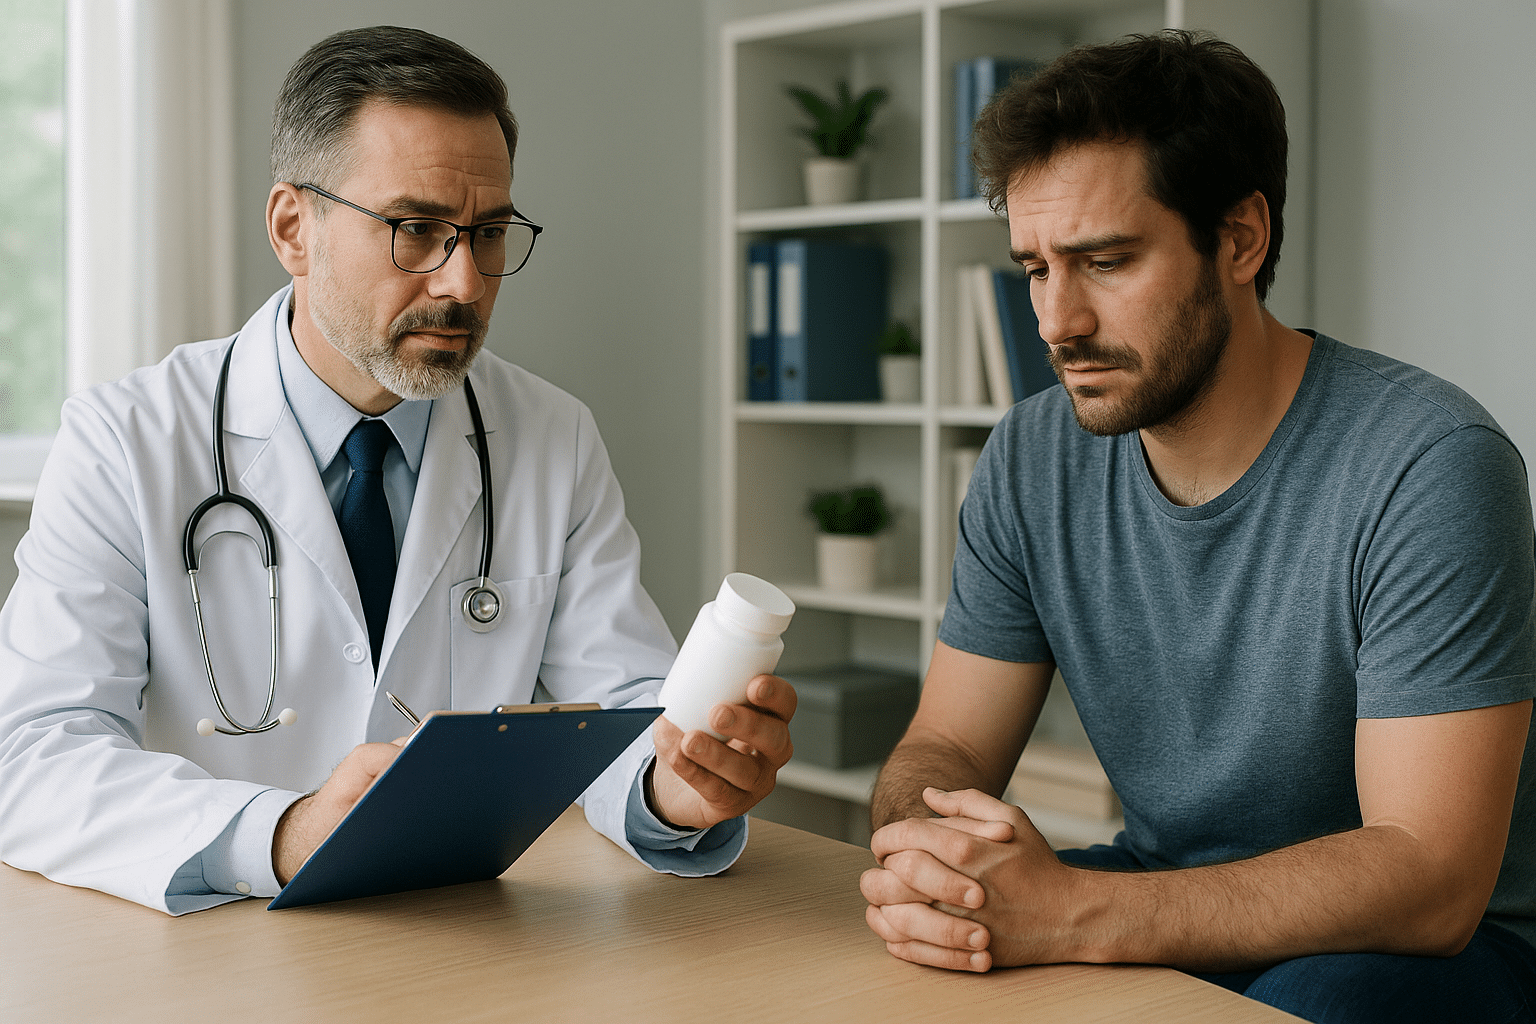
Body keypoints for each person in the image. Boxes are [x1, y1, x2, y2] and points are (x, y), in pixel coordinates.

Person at [0, 25, 796, 914]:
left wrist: (675, 790)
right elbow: (33, 756)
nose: (464, 281)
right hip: (213, 943)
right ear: (293, 227)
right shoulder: (124, 439)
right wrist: (285, 832)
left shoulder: (549, 435)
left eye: (488, 232)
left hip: (456, 940)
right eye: (416, 229)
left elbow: (620, 712)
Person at [859, 30, 1536, 1024]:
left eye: (1103, 260)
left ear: (1240, 239)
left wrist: (1074, 913)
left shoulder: (1428, 464)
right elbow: (947, 744)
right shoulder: (1029, 458)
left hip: (1438, 948)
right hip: (1163, 889)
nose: (1056, 320)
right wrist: (932, 859)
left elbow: (1428, 877)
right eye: (1035, 268)